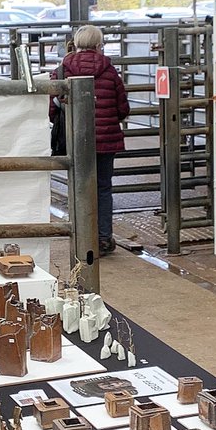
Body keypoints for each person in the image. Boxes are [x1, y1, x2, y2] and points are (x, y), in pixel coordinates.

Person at [49, 24, 130, 256]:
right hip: (106, 141)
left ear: (75, 44)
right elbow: (122, 108)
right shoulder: (110, 71)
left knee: (79, 188)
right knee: (103, 189)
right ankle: (103, 238)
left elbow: (51, 109)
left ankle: (81, 237)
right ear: (99, 45)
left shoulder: (63, 70)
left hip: (75, 141)